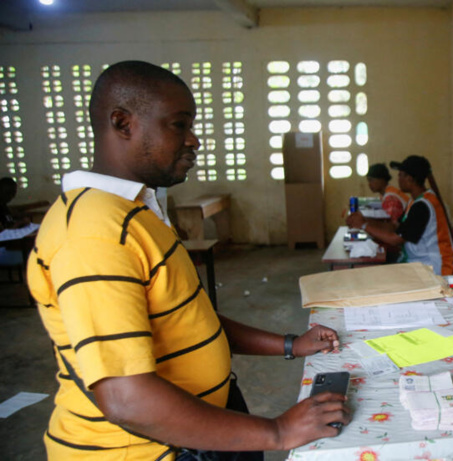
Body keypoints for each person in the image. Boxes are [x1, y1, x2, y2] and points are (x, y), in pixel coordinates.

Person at [26, 61, 350, 460]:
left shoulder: (134, 213)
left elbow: (190, 319)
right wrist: (278, 431)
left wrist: (289, 345)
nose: (194, 140)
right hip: (144, 450)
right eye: (179, 125)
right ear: (122, 123)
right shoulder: (94, 233)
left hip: (200, 430)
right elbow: (127, 400)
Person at [346, 155, 453, 276]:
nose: (398, 179)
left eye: (400, 175)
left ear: (409, 179)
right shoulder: (414, 201)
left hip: (431, 267)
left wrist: (364, 225)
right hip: (416, 261)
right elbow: (395, 226)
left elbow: (395, 239)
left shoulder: (423, 206)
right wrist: (365, 220)